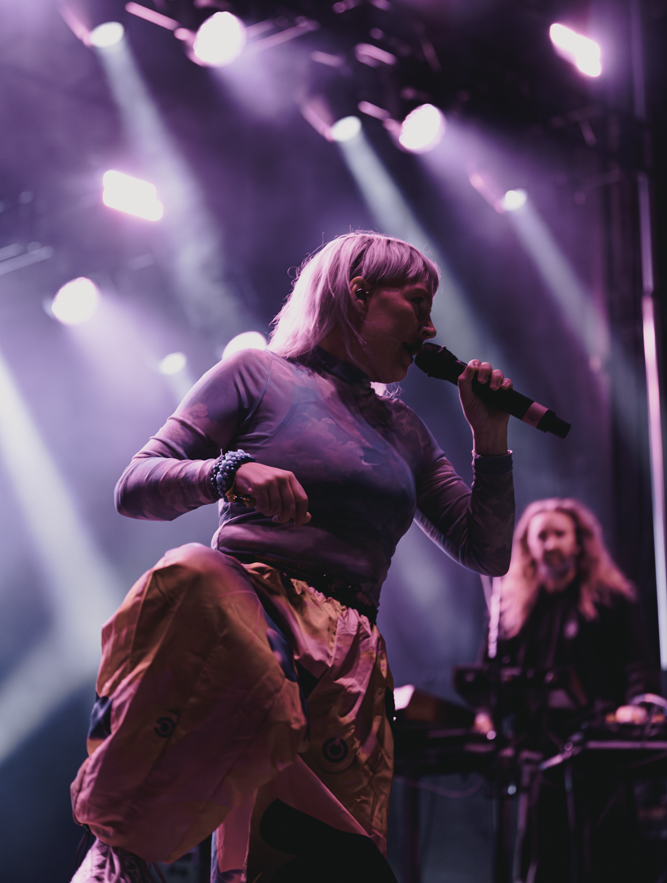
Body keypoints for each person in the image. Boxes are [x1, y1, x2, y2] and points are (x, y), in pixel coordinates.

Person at [71, 231, 515, 883]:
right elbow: (134, 487)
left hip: (348, 661)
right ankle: (122, 843)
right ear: (357, 294)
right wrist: (227, 472)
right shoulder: (255, 374)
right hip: (254, 629)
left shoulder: (406, 432)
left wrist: (491, 440)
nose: (429, 325)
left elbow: (488, 552)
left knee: (330, 864)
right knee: (190, 574)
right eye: (416, 303)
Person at [474, 498, 660, 883]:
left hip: (598, 748)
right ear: (529, 544)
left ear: (579, 542)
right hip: (538, 751)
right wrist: (485, 714)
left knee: (608, 856)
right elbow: (488, 675)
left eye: (559, 533)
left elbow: (637, 664)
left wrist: (635, 707)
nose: (551, 543)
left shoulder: (610, 598)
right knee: (544, 856)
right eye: (542, 536)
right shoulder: (511, 607)